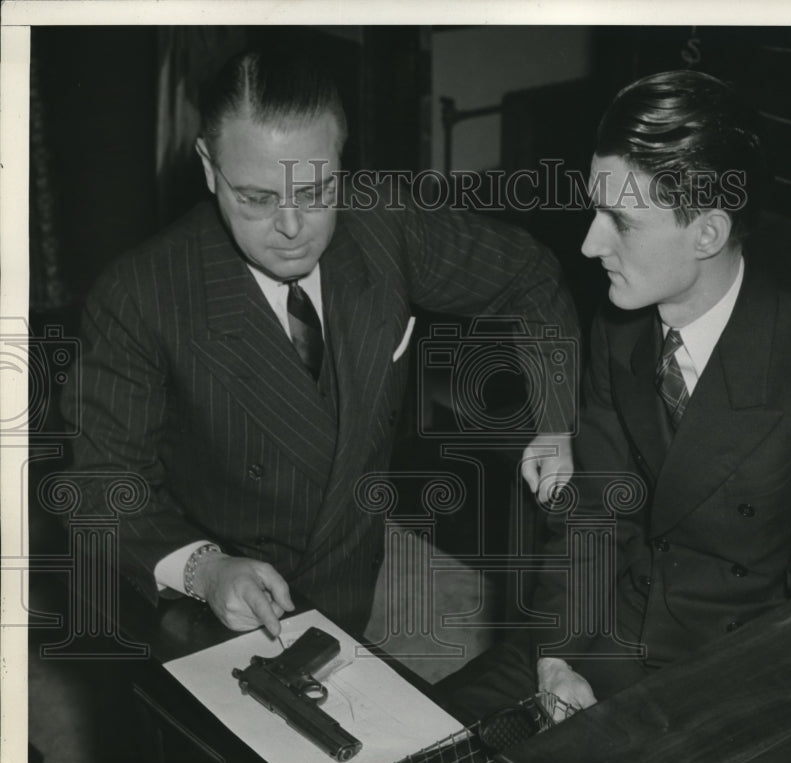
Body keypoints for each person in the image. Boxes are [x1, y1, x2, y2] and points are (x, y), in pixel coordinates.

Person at [62, 41, 579, 640]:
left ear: (340, 160)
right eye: (255, 198)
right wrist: (205, 569)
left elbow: (527, 274)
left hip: (354, 572)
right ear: (208, 166)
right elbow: (98, 483)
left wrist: (555, 419)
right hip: (209, 594)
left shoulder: (384, 223)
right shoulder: (141, 292)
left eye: (315, 193)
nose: (289, 228)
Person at [439, 69, 791, 720]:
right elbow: (591, 517)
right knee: (408, 741)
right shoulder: (619, 325)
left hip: (728, 685)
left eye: (619, 221)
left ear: (707, 233)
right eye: (594, 209)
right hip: (601, 631)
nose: (589, 242)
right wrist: (556, 655)